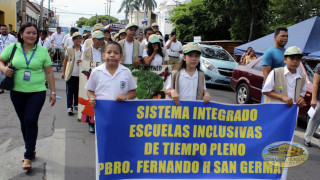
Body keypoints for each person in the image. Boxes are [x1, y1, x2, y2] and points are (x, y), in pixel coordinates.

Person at [0, 22, 56, 170]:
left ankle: (28, 155)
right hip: (16, 91)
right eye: (28, 32)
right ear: (21, 34)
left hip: (37, 91)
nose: (32, 35)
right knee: (24, 122)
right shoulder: (13, 48)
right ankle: (30, 147)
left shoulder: (42, 51)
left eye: (34, 33)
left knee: (30, 119)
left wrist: (53, 92)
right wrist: (4, 68)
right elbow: (0, 60)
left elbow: (49, 72)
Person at [85, 41, 137, 117]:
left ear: (121, 56)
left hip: (121, 112)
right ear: (103, 55)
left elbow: (133, 91)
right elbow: (90, 90)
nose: (112, 55)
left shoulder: (126, 72)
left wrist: (125, 97)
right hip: (101, 113)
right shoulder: (96, 71)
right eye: (109, 52)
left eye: (116, 53)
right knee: (103, 129)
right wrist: (92, 98)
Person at [81, 30, 105, 133]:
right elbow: (83, 63)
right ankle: (91, 123)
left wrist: (104, 50)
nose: (101, 41)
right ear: (94, 40)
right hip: (91, 77)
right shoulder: (87, 50)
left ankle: (100, 122)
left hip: (103, 77)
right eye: (99, 39)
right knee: (91, 100)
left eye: (102, 39)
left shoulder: (104, 50)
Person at [262, 26, 288, 102]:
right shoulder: (269, 53)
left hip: (283, 90)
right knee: (267, 113)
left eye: (287, 36)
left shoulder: (288, 53)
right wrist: (271, 92)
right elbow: (266, 75)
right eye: (283, 36)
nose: (285, 38)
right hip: (271, 92)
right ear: (275, 37)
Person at [61, 32, 83, 115]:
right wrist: (63, 72)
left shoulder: (83, 49)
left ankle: (76, 104)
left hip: (80, 74)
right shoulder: (69, 49)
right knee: (69, 90)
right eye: (76, 38)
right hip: (70, 73)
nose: (78, 40)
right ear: (73, 40)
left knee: (78, 90)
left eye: (80, 38)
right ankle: (69, 106)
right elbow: (65, 61)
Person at [304, 63, 320, 147]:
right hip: (319, 98)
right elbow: (315, 84)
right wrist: (313, 99)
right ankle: (307, 138)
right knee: (314, 118)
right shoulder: (319, 66)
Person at [0, 24, 17, 94]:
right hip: (1, 58)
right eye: (2, 29)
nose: (4, 30)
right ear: (0, 30)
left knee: (9, 72)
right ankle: (1, 87)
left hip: (9, 58)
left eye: (5, 29)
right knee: (0, 73)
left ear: (7, 30)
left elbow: (16, 47)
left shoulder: (12, 37)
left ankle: (9, 85)